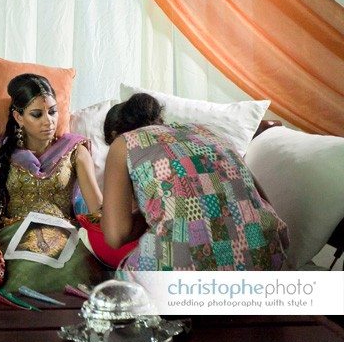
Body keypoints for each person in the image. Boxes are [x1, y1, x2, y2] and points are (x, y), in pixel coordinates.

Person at [101, 92, 288, 271]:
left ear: (116, 133)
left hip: (187, 267)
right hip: (268, 253)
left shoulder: (123, 143)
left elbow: (116, 235)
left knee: (117, 293)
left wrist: (148, 212)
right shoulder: (205, 132)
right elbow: (261, 201)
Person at [0, 73, 107, 291]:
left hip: (63, 234)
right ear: (19, 117)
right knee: (20, 272)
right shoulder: (2, 152)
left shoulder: (75, 151)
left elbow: (97, 208)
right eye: (37, 114)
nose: (48, 121)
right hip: (14, 233)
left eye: (52, 112)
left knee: (74, 272)